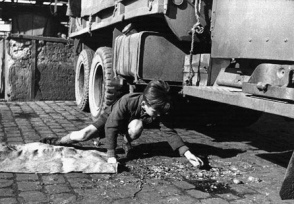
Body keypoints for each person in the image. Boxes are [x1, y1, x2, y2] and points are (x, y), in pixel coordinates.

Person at [40, 80, 203, 167]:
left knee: (137, 126)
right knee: (82, 136)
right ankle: (56, 141)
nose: (159, 115)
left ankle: (126, 142)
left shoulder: (155, 108)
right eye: (157, 111)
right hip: (110, 119)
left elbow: (169, 131)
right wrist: (111, 154)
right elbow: (111, 126)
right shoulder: (126, 101)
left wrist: (188, 154)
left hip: (129, 125)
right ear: (145, 104)